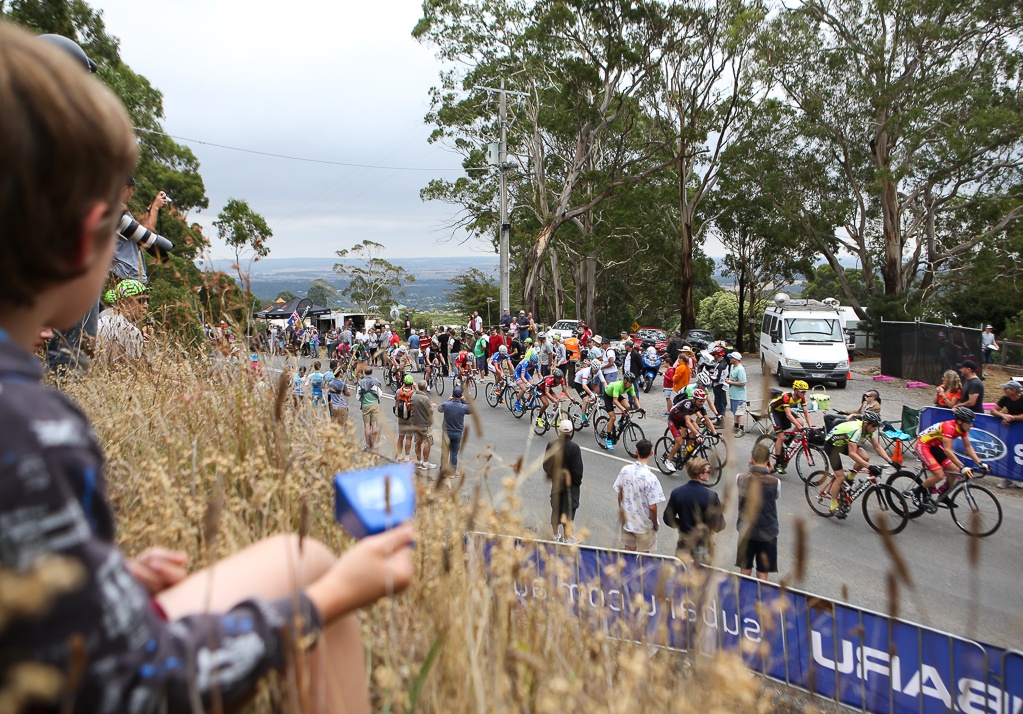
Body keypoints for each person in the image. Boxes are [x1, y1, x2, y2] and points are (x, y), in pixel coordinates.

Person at [0, 25, 415, 713]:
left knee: (298, 555)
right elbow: (129, 689)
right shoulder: (32, 432)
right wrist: (324, 603)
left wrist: (103, 585)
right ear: (86, 242)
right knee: (313, 572)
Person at [822, 411, 895, 518]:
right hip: (832, 446)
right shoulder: (856, 430)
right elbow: (852, 454)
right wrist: (869, 466)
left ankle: (850, 478)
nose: (876, 428)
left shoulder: (870, 429)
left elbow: (877, 447)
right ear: (865, 423)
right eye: (874, 426)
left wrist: (891, 461)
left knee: (865, 457)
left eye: (877, 426)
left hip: (845, 443)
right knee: (840, 477)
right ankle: (833, 505)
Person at [913, 406, 989, 506]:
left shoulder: (963, 429)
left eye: (972, 422)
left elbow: (968, 447)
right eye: (969, 422)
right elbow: (947, 450)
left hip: (934, 446)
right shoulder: (949, 427)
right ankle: (916, 491)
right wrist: (962, 467)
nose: (971, 425)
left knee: (955, 470)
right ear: (960, 422)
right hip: (923, 445)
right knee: (939, 475)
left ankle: (943, 494)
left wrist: (980, 463)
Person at [663, 458, 725, 564]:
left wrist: (681, 524)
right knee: (701, 576)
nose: (709, 474)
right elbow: (720, 524)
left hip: (684, 541)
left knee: (682, 574)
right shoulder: (711, 496)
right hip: (703, 543)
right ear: (701, 475)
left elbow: (668, 518)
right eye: (707, 472)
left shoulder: (677, 493)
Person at [735, 444, 781, 580]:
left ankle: (743, 594)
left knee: (745, 568)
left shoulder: (740, 478)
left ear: (751, 459)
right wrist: (769, 473)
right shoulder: (775, 482)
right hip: (768, 532)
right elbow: (775, 496)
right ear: (768, 461)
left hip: (746, 530)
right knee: (763, 571)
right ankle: (761, 597)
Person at [612, 439, 665, 552]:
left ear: (636, 452)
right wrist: (655, 524)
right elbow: (652, 507)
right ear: (651, 453)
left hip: (628, 521)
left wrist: (623, 512)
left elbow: (619, 494)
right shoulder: (651, 478)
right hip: (644, 525)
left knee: (628, 553)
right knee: (643, 558)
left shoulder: (625, 470)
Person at [543, 420, 584, 542]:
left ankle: (555, 534)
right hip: (570, 485)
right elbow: (578, 471)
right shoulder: (574, 448)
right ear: (571, 432)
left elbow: (546, 465)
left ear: (559, 431)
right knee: (569, 509)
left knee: (556, 508)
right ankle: (567, 536)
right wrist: (576, 483)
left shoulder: (551, 444)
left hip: (556, 483)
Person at [662, 388, 718, 472]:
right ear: (694, 399)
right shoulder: (687, 405)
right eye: (700, 401)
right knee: (680, 442)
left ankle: (687, 450)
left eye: (703, 401)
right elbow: (688, 423)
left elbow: (707, 420)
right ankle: (668, 460)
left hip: (683, 419)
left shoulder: (701, 406)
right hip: (673, 420)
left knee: (697, 429)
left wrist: (715, 433)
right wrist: (698, 435)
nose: (702, 403)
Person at [96, 278, 148, 362]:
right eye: (140, 300)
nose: (145, 305)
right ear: (122, 302)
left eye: (147, 300)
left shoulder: (98, 323)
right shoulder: (132, 331)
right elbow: (135, 369)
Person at [769, 380, 813, 474]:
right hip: (774, 411)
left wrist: (811, 426)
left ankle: (788, 440)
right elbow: (789, 415)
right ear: (796, 390)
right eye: (803, 391)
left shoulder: (802, 398)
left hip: (783, 411)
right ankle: (778, 463)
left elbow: (806, 412)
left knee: (800, 422)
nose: (804, 393)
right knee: (780, 436)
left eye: (805, 391)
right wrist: (799, 427)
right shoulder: (786, 396)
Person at [602, 372, 641, 451]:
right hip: (608, 396)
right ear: (625, 381)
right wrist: (622, 409)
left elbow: (635, 398)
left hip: (616, 394)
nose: (631, 384)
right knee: (612, 417)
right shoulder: (618, 385)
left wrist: (639, 408)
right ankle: (608, 438)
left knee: (628, 407)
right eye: (630, 382)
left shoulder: (631, 386)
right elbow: (615, 401)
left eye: (632, 382)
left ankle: (621, 421)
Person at [438, 387, 472, 472]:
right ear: (461, 396)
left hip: (447, 431)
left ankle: (443, 470)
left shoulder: (446, 405)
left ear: (452, 395)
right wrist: (464, 401)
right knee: (454, 453)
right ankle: (453, 471)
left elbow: (439, 409)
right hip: (457, 432)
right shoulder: (463, 407)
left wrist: (449, 400)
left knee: (445, 451)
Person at [411, 380, 437, 471]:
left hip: (415, 423)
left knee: (418, 442)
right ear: (425, 388)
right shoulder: (425, 398)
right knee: (427, 443)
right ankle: (425, 463)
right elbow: (430, 411)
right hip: (424, 424)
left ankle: (419, 462)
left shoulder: (413, 396)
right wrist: (432, 406)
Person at [358, 366, 384, 451]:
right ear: (372, 372)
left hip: (365, 405)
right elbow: (380, 394)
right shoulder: (376, 381)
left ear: (364, 373)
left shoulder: (361, 382)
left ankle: (367, 444)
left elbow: (358, 396)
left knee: (366, 425)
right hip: (374, 404)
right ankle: (375, 443)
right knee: (374, 424)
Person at [572, 358, 603, 426]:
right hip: (579, 383)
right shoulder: (586, 371)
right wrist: (591, 394)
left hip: (587, 382)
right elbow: (583, 386)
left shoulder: (598, 371)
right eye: (595, 370)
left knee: (595, 397)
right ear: (592, 368)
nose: (596, 372)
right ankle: (583, 419)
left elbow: (604, 382)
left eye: (597, 371)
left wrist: (607, 389)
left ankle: (588, 408)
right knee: (586, 400)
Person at [394, 374, 416, 462]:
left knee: (400, 437)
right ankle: (407, 457)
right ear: (412, 383)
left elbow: (396, 399)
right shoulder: (413, 393)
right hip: (410, 417)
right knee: (409, 438)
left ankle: (399, 456)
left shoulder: (398, 392)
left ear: (404, 382)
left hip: (401, 417)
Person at [725, 352, 747, 436]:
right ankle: (735, 426)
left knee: (740, 412)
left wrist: (730, 382)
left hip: (739, 395)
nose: (730, 359)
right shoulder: (732, 367)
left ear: (735, 359)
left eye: (731, 358)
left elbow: (743, 382)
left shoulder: (740, 369)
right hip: (733, 394)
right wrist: (729, 380)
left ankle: (741, 429)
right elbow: (733, 378)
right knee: (734, 411)